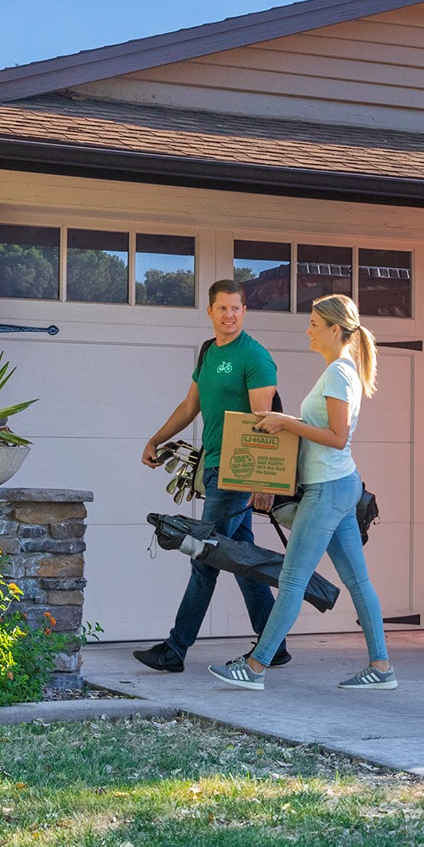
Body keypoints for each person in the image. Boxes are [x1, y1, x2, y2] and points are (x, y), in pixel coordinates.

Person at [208, 294, 395, 691]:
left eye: (313, 323)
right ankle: (381, 667)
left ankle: (255, 667)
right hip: (339, 486)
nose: (308, 330)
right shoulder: (340, 370)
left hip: (327, 489)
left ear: (334, 329)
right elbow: (328, 431)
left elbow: (336, 436)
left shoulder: (338, 372)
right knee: (358, 582)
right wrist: (287, 420)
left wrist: (287, 423)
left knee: (292, 579)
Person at [134, 279, 288, 672]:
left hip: (238, 472)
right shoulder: (207, 351)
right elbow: (191, 405)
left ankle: (175, 649)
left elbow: (265, 422)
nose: (229, 315)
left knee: (204, 557)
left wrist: (262, 483)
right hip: (215, 466)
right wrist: (156, 439)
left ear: (245, 311)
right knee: (241, 556)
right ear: (210, 311)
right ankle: (274, 643)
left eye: (236, 308)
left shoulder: (255, 357)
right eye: (222, 308)